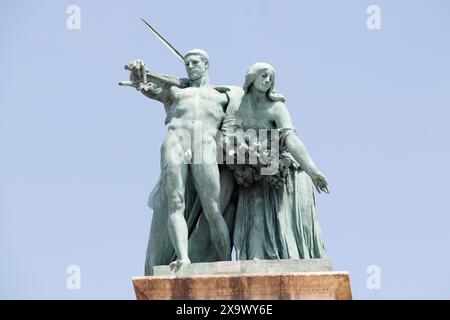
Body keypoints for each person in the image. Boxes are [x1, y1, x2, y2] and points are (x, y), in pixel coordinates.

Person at [126, 49, 232, 271]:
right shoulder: (175, 92)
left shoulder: (223, 96)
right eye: (187, 63)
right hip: (175, 140)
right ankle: (183, 258)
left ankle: (225, 262)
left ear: (206, 64)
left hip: (204, 143)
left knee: (212, 208)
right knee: (176, 203)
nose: (190, 66)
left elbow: (251, 107)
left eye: (195, 62)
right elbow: (144, 85)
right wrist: (138, 71)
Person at [222, 62, 329, 260]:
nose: (267, 80)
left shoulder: (276, 107)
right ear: (251, 78)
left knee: (287, 226)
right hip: (253, 175)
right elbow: (228, 136)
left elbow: (291, 139)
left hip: (282, 172)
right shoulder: (237, 106)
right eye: (263, 75)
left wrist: (313, 171)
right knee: (255, 222)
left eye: (270, 77)